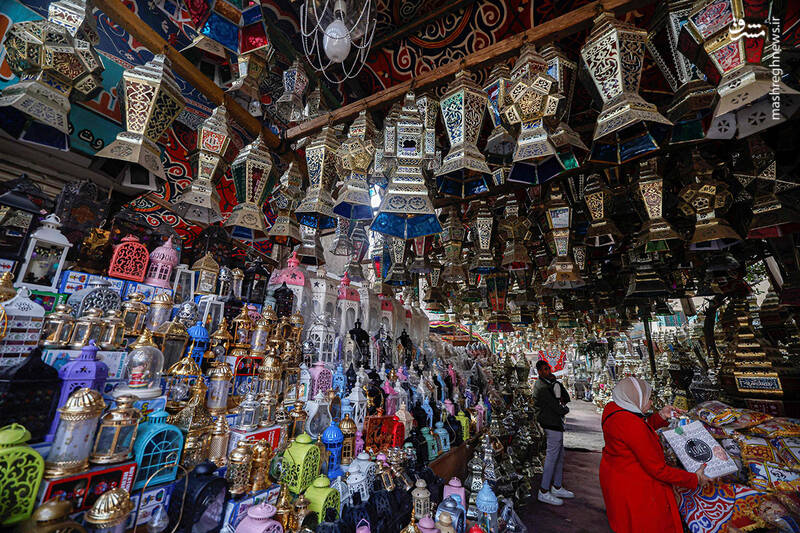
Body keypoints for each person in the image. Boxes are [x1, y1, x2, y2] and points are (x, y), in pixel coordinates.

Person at [600, 376, 712, 533]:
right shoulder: (632, 425)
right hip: (636, 488)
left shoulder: (614, 411)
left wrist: (661, 416)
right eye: (647, 398)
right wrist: (694, 479)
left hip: (617, 478)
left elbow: (635, 435)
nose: (651, 402)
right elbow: (658, 469)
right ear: (635, 399)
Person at [532, 360, 573, 506]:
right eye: (544, 370)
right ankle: (543, 490)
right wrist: (565, 410)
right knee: (551, 458)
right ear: (539, 371)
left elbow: (566, 398)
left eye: (548, 369)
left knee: (559, 456)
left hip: (555, 423)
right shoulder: (542, 387)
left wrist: (556, 382)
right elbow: (557, 407)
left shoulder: (549, 383)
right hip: (550, 424)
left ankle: (557, 486)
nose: (548, 372)